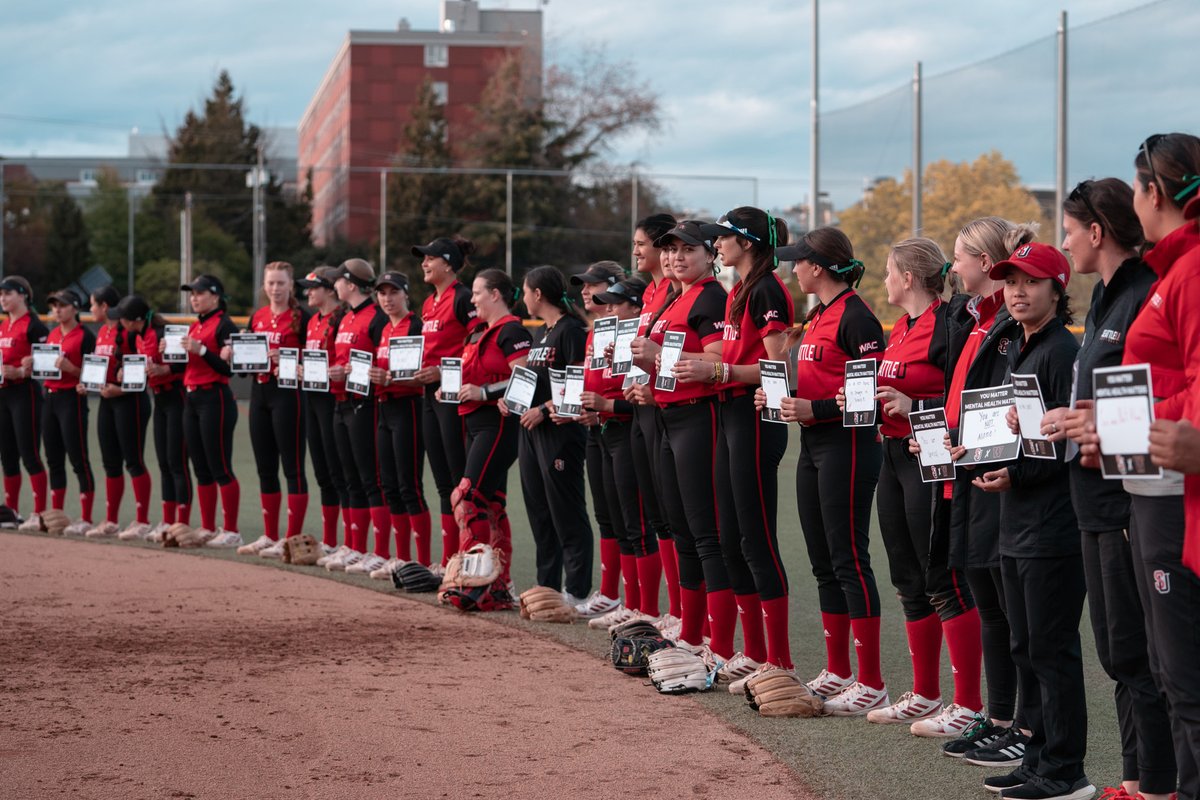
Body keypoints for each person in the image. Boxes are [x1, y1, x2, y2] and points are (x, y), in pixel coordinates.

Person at [1045, 178, 1175, 800]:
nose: (1063, 241)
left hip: (1134, 500)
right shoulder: (1102, 297)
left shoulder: (1147, 293)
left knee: (1147, 654)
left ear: (1096, 232)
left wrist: (1098, 427)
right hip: (1093, 498)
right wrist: (1072, 422)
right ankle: (1136, 778)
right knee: (1119, 651)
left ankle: (1158, 783)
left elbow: (1158, 401)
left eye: (1068, 229)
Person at [1081, 132, 1200, 800]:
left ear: (1153, 192)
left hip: (1176, 487)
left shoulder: (1189, 269)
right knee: (1169, 668)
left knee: (1183, 679)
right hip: (1156, 484)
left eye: (1137, 188)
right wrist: (1116, 429)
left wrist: (1139, 427)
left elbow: (1191, 383)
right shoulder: (1175, 268)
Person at [842, 239, 985, 736]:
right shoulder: (900, 328)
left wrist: (914, 406)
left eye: (888, 272)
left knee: (942, 578)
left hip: (931, 457)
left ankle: (968, 702)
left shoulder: (951, 322)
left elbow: (965, 395)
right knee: (907, 577)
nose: (883, 280)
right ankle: (925, 694)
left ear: (908, 278)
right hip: (894, 455)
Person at [972, 243, 1091, 800]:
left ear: (1057, 289)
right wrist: (1002, 466)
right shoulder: (1023, 345)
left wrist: (1015, 474)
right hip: (1019, 519)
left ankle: (1065, 772)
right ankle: (1038, 758)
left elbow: (1062, 449)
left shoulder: (1062, 350)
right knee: (1025, 645)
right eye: (1011, 280)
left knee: (1051, 648)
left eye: (1032, 281)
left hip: (1054, 524)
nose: (1018, 290)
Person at [924, 218, 1032, 765]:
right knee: (988, 602)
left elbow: (1011, 406)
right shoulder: (974, 320)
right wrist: (943, 439)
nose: (953, 267)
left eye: (962, 257)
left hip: (994, 479)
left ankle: (1015, 723)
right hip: (963, 475)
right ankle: (998, 716)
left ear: (988, 263)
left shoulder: (1008, 324)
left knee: (1005, 606)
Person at [772, 228, 887, 715]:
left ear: (817, 266)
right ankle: (839, 669)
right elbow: (815, 381)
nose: (791, 269)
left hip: (849, 445)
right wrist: (779, 399)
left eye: (797, 261)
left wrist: (812, 411)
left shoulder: (858, 316)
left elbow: (867, 402)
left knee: (848, 558)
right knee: (822, 559)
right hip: (815, 445)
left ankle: (872, 681)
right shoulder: (819, 314)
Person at [701, 207, 795, 689]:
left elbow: (778, 368)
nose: (716, 244)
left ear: (749, 242)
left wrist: (721, 373)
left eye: (724, 237)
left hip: (757, 415)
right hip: (730, 414)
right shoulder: (738, 288)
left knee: (755, 538)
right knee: (731, 535)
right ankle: (755, 651)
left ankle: (779, 660)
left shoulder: (766, 289)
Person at [631, 220, 732, 661]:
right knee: (683, 530)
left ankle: (721, 644)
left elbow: (717, 359)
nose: (674, 257)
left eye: (685, 249)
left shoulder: (710, 295)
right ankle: (692, 633)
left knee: (704, 533)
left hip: (698, 419)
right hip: (669, 417)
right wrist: (653, 377)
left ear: (709, 254)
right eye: (668, 250)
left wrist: (660, 358)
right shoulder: (677, 295)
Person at [581, 277, 663, 629]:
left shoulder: (640, 342)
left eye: (616, 303)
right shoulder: (607, 337)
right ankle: (631, 604)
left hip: (629, 433)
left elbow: (641, 402)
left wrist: (607, 405)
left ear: (634, 307)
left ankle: (646, 609)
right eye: (607, 303)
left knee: (639, 524)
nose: (609, 308)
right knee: (618, 521)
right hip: (603, 430)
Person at [444, 268, 532, 595]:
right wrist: (451, 390)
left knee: (468, 499)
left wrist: (484, 393)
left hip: (498, 423)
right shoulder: (480, 332)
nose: (473, 299)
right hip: (474, 423)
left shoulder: (511, 330)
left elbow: (523, 378)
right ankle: (498, 582)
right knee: (490, 504)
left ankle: (476, 582)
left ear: (495, 294)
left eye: (478, 292)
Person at [518, 266, 594, 608]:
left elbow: (578, 385)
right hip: (533, 431)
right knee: (540, 511)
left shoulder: (571, 330)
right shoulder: (542, 333)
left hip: (561, 430)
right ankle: (546, 586)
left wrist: (546, 410)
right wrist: (513, 402)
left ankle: (576, 591)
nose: (523, 299)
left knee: (567, 510)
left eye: (525, 292)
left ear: (538, 294)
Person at [412, 236, 480, 570]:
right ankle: (448, 558)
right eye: (423, 259)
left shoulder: (463, 297)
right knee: (441, 481)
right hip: (429, 395)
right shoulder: (428, 303)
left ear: (449, 264)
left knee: (458, 479)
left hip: (453, 396)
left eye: (430, 258)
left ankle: (467, 556)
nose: (424, 263)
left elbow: (480, 338)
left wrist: (443, 369)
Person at [625, 213, 680, 625]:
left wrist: (654, 384)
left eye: (641, 243)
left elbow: (673, 358)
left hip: (667, 410)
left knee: (675, 517)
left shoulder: (675, 293)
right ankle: (669, 610)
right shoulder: (651, 294)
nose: (636, 251)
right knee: (659, 516)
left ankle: (679, 612)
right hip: (644, 408)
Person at [236, 262, 311, 555]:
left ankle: (290, 539)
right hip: (260, 393)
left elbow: (316, 355)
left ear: (290, 284)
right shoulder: (257, 317)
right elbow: (243, 361)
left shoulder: (302, 316)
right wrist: (233, 353)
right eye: (270, 283)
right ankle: (269, 535)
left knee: (292, 467)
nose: (275, 289)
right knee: (265, 467)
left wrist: (290, 357)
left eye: (281, 283)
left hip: (288, 394)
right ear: (263, 286)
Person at [323, 259, 390, 572]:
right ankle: (354, 546)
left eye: (338, 280)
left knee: (369, 478)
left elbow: (383, 358)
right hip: (341, 400)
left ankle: (377, 550)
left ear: (350, 284)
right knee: (349, 478)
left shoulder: (375, 316)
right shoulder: (345, 317)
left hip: (365, 403)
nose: (334, 285)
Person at [569, 260, 626, 618]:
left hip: (621, 424)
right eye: (583, 285)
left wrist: (607, 406)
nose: (585, 291)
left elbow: (632, 387)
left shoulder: (624, 328)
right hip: (596, 426)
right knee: (606, 515)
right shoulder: (595, 330)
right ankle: (608, 592)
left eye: (592, 285)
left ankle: (633, 601)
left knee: (628, 519)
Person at [369, 270, 431, 576]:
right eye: (382, 293)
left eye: (393, 292)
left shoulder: (415, 325)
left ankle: (419, 560)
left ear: (406, 294)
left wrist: (391, 377)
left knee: (410, 486)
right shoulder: (384, 328)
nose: (387, 298)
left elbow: (421, 376)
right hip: (385, 409)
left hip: (408, 407)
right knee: (389, 485)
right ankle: (402, 558)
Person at [120, 294, 190, 541]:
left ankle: (182, 522)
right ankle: (167, 520)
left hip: (177, 398)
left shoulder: (161, 333)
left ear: (135, 318)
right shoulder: (135, 336)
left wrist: (165, 369)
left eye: (124, 317)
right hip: (159, 399)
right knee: (163, 462)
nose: (121, 321)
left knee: (177, 461)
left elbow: (183, 363)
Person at [178, 274, 241, 545]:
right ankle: (207, 526)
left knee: (220, 466)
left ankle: (231, 531)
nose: (194, 298)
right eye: (192, 293)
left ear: (215, 296)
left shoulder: (224, 324)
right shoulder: (196, 325)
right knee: (200, 467)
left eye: (199, 293)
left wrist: (202, 351)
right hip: (191, 398)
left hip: (215, 397)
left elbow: (228, 369)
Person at [85, 285, 151, 539]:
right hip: (107, 400)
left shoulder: (129, 333)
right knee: (110, 462)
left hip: (130, 401)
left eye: (93, 304)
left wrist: (120, 390)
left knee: (133, 461)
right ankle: (111, 520)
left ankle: (142, 520)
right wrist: (88, 383)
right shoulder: (102, 331)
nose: (91, 309)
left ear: (105, 307)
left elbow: (141, 371)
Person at [296, 267, 350, 560]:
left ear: (330, 289)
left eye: (314, 287)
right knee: (322, 472)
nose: (308, 293)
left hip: (333, 400)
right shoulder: (313, 320)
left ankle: (347, 542)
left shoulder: (340, 319)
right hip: (312, 398)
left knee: (338, 471)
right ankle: (330, 541)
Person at [36, 288, 95, 535]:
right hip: (50, 398)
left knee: (78, 458)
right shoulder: (51, 336)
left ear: (75, 308)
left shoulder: (85, 336)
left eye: (62, 305)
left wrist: (73, 369)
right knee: (53, 459)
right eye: (54, 306)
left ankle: (86, 518)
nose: (57, 310)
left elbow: (93, 375)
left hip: (72, 399)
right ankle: (55, 515)